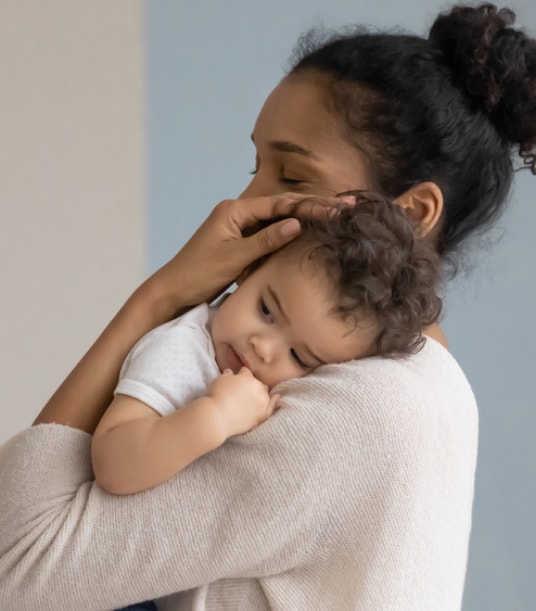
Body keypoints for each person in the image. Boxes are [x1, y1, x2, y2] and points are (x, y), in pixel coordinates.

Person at [1, 4, 535, 610]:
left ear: (411, 215)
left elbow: (17, 566)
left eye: (292, 175)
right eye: (256, 167)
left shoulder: (359, 412)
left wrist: (161, 295)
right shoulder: (407, 385)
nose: (245, 202)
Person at [91, 194, 441, 496]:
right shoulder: (182, 350)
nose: (263, 348)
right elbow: (112, 462)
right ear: (248, 271)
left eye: (299, 357)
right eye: (266, 310)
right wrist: (214, 417)